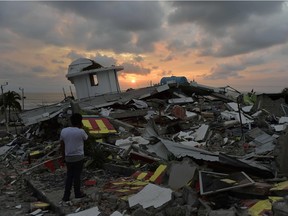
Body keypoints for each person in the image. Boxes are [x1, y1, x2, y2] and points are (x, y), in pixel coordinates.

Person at [60, 113, 88, 202]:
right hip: (79, 157)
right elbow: (86, 138)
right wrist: (81, 127)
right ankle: (77, 193)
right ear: (80, 121)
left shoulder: (64, 131)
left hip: (68, 157)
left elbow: (62, 145)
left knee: (69, 176)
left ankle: (66, 196)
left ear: (71, 121)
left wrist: (63, 157)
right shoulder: (81, 131)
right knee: (77, 176)